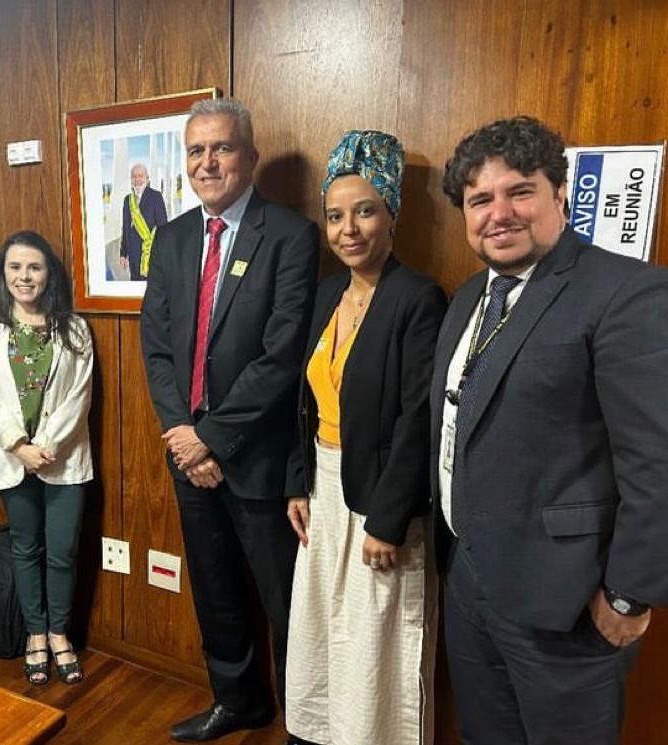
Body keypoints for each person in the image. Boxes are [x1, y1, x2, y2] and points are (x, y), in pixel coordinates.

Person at [433, 115, 668, 745]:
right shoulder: (467, 299)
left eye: (520, 191)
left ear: (560, 194)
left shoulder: (625, 292)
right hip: (469, 580)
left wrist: (629, 594)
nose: (499, 213)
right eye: (480, 199)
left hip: (568, 598)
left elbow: (658, 462)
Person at [140, 98, 319, 742]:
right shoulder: (173, 238)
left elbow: (281, 355)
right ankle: (238, 701)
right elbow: (156, 346)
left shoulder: (292, 236)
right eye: (196, 150)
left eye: (222, 148)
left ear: (251, 156)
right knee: (214, 588)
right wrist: (183, 437)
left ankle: (305, 723)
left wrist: (210, 438)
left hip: (258, 458)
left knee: (283, 599)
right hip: (187, 454)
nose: (207, 162)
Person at [284, 132, 446, 745]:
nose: (347, 229)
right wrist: (297, 484)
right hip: (323, 491)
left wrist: (388, 520)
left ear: (392, 214)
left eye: (364, 211)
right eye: (334, 216)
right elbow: (303, 402)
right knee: (323, 631)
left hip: (380, 499)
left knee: (375, 643)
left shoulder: (417, 297)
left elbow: (417, 418)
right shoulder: (327, 294)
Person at [0, 230, 93, 686]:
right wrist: (19, 446)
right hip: (11, 457)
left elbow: (79, 397)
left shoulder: (74, 328)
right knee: (25, 548)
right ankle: (35, 633)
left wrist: (48, 447)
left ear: (48, 274)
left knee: (62, 551)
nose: (25, 276)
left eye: (34, 267)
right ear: (3, 273)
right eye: (16, 267)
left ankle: (59, 633)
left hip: (64, 458)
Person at [120, 163, 168, 280]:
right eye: (134, 176)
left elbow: (163, 228)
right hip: (133, 257)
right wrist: (123, 254)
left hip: (151, 255)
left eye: (140, 176)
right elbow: (125, 228)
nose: (137, 179)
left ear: (147, 178)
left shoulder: (156, 197)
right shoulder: (127, 200)